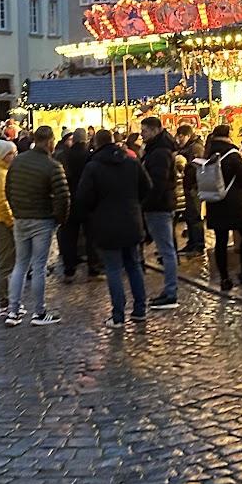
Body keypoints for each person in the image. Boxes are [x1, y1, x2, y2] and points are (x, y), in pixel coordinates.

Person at [75, 129, 149, 329]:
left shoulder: (93, 167)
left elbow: (83, 198)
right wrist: (134, 204)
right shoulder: (131, 162)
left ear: (96, 144)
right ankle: (140, 309)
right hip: (132, 221)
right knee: (133, 265)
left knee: (114, 269)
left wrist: (94, 211)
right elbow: (147, 187)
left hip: (106, 224)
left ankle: (118, 315)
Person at [4, 125, 69, 327]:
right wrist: (59, 219)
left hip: (21, 218)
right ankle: (38, 312)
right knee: (39, 266)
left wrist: (16, 210)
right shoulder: (52, 166)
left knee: (20, 265)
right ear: (50, 141)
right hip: (42, 219)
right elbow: (63, 197)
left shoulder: (18, 161)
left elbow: (9, 189)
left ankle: (13, 311)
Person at [201, 124, 242, 291]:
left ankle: (224, 278)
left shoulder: (208, 154)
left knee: (220, 241)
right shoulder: (232, 155)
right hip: (234, 203)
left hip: (215, 202)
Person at [140, 117, 179, 309]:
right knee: (166, 249)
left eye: (145, 130)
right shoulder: (157, 150)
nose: (142, 134)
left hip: (159, 206)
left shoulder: (159, 153)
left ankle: (171, 292)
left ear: (155, 131)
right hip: (159, 205)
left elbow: (157, 184)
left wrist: (146, 202)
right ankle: (169, 290)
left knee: (166, 250)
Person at [59, 128, 99, 282]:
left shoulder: (64, 155)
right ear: (85, 140)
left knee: (69, 237)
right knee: (91, 236)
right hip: (88, 201)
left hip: (70, 200)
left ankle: (69, 270)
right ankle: (93, 268)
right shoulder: (90, 156)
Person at [0, 140, 18, 317]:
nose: (14, 156)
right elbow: (1, 202)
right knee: (6, 265)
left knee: (10, 263)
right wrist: (12, 222)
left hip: (4, 222)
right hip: (3, 224)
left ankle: (9, 300)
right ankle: (4, 302)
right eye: (11, 153)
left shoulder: (4, 172)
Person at [175, 123, 205, 254]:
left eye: (181, 137)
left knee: (194, 216)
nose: (179, 139)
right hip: (188, 186)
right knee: (189, 216)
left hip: (194, 186)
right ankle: (192, 243)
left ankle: (198, 244)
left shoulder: (196, 148)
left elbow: (197, 167)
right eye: (178, 137)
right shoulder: (187, 148)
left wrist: (185, 168)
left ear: (188, 135)